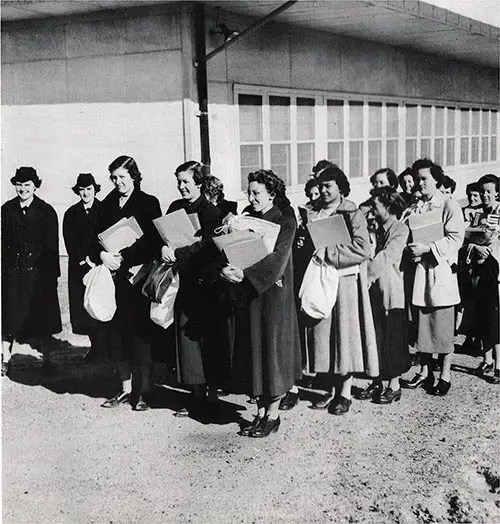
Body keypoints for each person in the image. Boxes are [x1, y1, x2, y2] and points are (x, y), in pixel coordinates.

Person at [220, 169, 301, 437]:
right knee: (254, 353)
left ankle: (273, 414)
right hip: (249, 293)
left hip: (274, 294)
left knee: (273, 352)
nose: (251, 197)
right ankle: (259, 412)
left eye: (257, 193)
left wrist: (246, 274)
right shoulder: (246, 217)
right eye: (249, 192)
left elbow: (278, 259)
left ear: (272, 193)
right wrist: (227, 268)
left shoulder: (286, 220)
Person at [305, 165, 379, 415]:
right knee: (322, 332)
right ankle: (327, 387)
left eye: (329, 186)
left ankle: (345, 392)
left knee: (344, 335)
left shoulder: (352, 213)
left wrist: (330, 252)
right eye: (321, 186)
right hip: (320, 277)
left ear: (340, 187)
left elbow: (362, 249)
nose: (324, 190)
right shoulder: (313, 212)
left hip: (345, 281)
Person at [94, 156, 162, 411]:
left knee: (141, 335)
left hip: (139, 276)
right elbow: (95, 238)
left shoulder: (148, 203)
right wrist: (102, 255)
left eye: (122, 177)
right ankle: (124, 389)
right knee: (118, 335)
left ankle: (144, 390)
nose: (118, 182)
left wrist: (125, 257)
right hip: (115, 279)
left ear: (134, 176)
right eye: (114, 178)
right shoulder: (107, 204)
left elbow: (153, 240)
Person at [161, 161, 224, 417]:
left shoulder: (210, 211)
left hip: (205, 285)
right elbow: (163, 235)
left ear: (198, 182)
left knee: (207, 340)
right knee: (187, 344)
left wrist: (178, 251)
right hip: (183, 283)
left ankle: (211, 396)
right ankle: (195, 394)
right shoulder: (175, 208)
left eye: (186, 181)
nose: (181, 186)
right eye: (178, 182)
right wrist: (164, 248)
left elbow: (208, 246)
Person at [401, 159, 465, 396]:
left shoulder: (448, 204)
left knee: (443, 326)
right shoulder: (417, 207)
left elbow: (456, 238)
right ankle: (426, 372)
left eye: (424, 179)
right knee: (424, 326)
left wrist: (428, 249)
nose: (420, 183)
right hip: (420, 272)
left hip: (440, 271)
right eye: (417, 179)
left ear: (437, 180)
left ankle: (445, 375)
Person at [2, 167, 62, 377]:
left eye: (28, 185)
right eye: (19, 184)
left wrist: (50, 278)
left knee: (42, 320)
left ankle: (47, 360)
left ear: (35, 186)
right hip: (12, 275)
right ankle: (5, 359)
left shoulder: (46, 212)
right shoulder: (6, 210)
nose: (23, 189)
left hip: (38, 277)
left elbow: (52, 248)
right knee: (8, 318)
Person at [357, 187, 410, 404]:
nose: (373, 210)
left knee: (392, 337)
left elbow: (387, 256)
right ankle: (377, 381)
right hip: (375, 290)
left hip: (391, 290)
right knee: (376, 337)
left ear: (388, 207)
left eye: (376, 206)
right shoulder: (378, 228)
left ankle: (394, 384)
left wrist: (366, 274)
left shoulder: (400, 229)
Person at [63, 173, 105, 361]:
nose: (86, 193)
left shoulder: (104, 209)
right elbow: (69, 241)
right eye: (82, 190)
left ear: (95, 190)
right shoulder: (71, 213)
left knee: (102, 306)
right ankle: (94, 347)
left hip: (101, 266)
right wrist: (83, 259)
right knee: (85, 308)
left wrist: (96, 259)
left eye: (89, 189)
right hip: (80, 268)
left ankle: (104, 348)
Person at [466, 174, 500, 383]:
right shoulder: (479, 214)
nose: (485, 195)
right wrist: (474, 246)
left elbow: (492, 239)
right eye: (483, 191)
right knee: (482, 314)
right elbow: (468, 238)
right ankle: (487, 359)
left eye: (489, 191)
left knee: (495, 317)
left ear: (497, 192)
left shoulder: (498, 212)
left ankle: (499, 364)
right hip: (479, 270)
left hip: (494, 269)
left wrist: (484, 247)